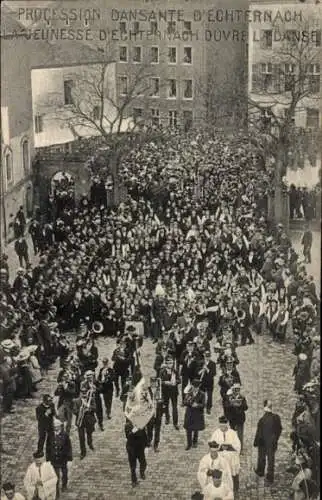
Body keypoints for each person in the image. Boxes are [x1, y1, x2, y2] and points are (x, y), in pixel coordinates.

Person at [253, 399, 282, 484]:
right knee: (271, 460)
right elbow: (279, 429)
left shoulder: (262, 420)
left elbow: (259, 432)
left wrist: (256, 442)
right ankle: (270, 477)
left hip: (263, 442)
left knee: (261, 457)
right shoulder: (276, 418)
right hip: (272, 442)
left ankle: (260, 471)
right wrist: (275, 438)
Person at [211, 416, 241, 496]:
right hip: (221, 458)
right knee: (222, 474)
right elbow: (212, 446)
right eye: (221, 426)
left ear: (227, 425)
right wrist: (220, 447)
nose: (222, 428)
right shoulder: (216, 433)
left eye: (224, 426)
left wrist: (230, 446)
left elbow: (238, 446)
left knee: (233, 474)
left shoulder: (233, 433)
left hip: (231, 459)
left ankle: (235, 489)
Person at [46, 418, 72, 497]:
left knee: (64, 474)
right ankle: (56, 493)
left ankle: (64, 484)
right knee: (56, 477)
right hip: (54, 459)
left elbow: (69, 447)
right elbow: (48, 447)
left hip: (63, 459)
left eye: (57, 426)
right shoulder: (50, 435)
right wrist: (48, 458)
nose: (56, 428)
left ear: (61, 426)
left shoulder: (65, 435)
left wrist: (69, 458)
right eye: (54, 426)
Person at [73, 381, 96, 459]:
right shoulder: (76, 401)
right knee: (81, 437)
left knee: (89, 434)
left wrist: (88, 408)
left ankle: (90, 443)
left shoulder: (91, 399)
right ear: (80, 393)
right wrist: (81, 410)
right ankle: (83, 452)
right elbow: (74, 411)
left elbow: (95, 408)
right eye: (82, 393)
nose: (84, 394)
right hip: (80, 421)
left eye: (85, 392)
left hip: (89, 420)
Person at [223, 383, 248, 452]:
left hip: (240, 418)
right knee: (232, 434)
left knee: (240, 435)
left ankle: (240, 449)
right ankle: (233, 447)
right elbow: (226, 405)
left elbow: (246, 407)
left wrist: (240, 405)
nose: (236, 391)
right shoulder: (229, 397)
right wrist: (232, 404)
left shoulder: (242, 397)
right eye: (235, 389)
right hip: (232, 418)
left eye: (238, 389)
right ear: (233, 390)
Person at [125, 418, 148, 487]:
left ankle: (142, 473)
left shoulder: (141, 423)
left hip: (140, 448)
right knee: (133, 466)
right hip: (132, 448)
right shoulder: (128, 425)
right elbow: (128, 436)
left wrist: (146, 444)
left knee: (143, 463)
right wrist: (134, 430)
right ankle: (134, 481)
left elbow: (144, 434)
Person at [183, 378, 206, 450]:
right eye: (194, 387)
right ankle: (189, 444)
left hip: (197, 413)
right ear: (192, 386)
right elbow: (184, 402)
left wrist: (197, 405)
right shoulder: (188, 393)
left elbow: (203, 404)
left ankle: (195, 442)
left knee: (196, 428)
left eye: (197, 387)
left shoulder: (202, 394)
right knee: (188, 429)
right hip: (189, 413)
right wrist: (190, 403)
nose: (195, 388)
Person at [159, 356, 180, 430]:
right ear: (166, 363)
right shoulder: (162, 371)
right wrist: (165, 382)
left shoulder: (175, 371)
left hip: (174, 392)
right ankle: (167, 418)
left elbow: (179, 380)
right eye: (169, 363)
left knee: (175, 407)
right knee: (166, 406)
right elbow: (159, 381)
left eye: (172, 363)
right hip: (166, 392)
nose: (171, 364)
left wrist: (175, 382)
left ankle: (175, 423)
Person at [198, 350, 216, 415]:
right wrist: (202, 369)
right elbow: (198, 373)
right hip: (202, 381)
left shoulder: (213, 364)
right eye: (206, 356)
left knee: (209, 395)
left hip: (210, 382)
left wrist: (207, 369)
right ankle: (201, 406)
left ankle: (208, 408)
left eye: (208, 356)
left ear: (210, 356)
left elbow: (214, 373)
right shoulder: (200, 362)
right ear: (204, 356)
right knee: (201, 394)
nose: (207, 358)